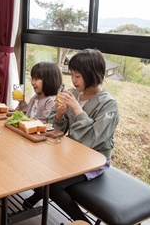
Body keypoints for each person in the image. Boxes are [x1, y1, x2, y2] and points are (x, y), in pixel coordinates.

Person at [23, 48, 120, 222]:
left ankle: (81, 221)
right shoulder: (73, 93)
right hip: (71, 153)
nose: (73, 80)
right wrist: (60, 114)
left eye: (78, 76)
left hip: (94, 159)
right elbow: (57, 127)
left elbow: (92, 140)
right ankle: (36, 196)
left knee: (52, 184)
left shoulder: (108, 104)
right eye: (72, 75)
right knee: (35, 161)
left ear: (93, 74)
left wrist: (76, 109)